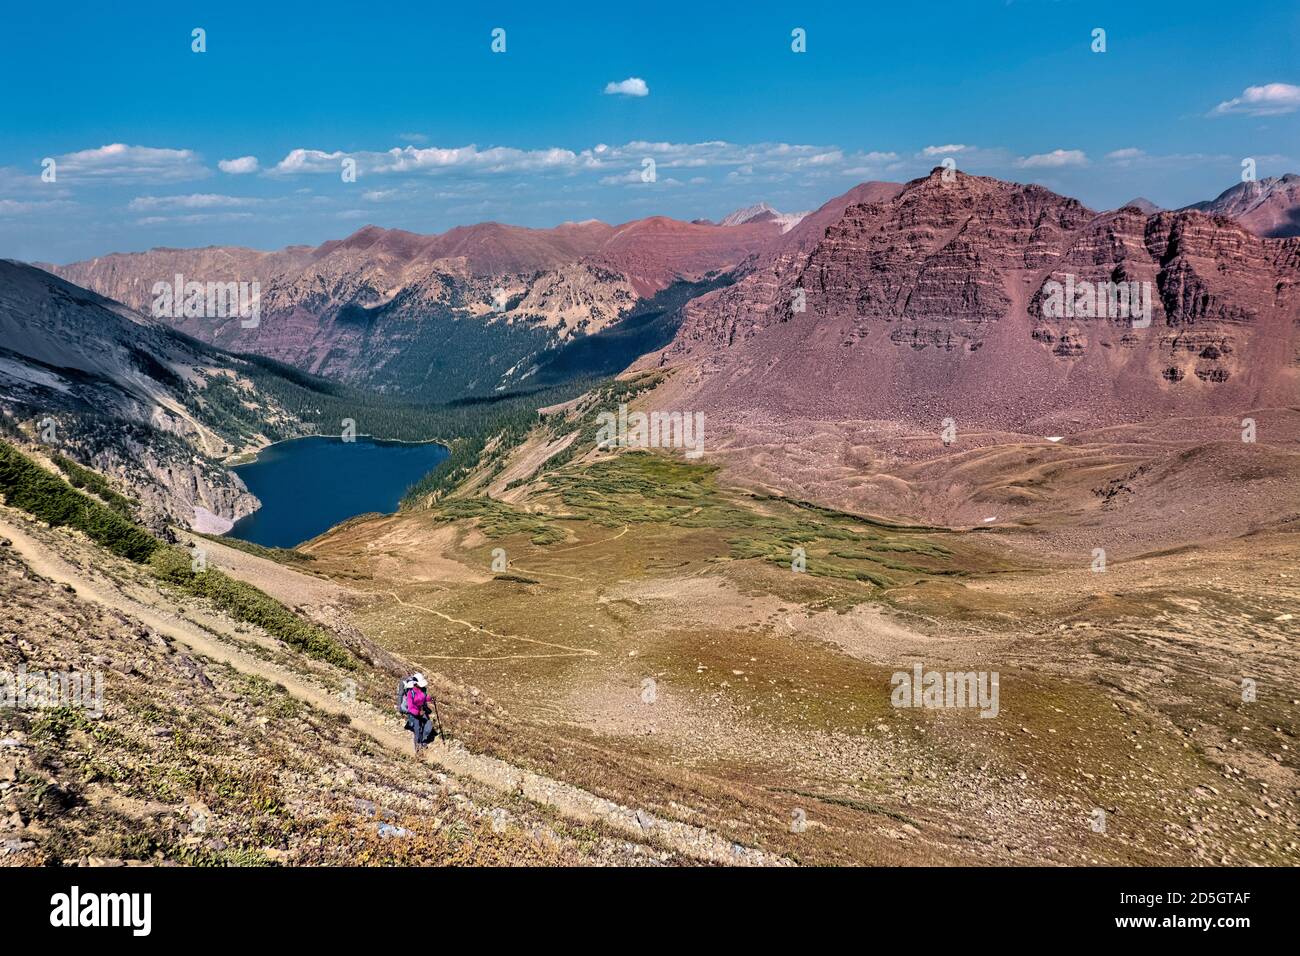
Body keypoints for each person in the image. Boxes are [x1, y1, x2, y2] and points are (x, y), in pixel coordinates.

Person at [403, 672, 435, 753]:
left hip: (421, 712)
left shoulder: (422, 690)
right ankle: (417, 749)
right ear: (415, 683)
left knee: (428, 726)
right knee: (417, 730)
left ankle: (423, 741)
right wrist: (418, 713)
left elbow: (424, 698)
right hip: (414, 714)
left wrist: (430, 699)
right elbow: (410, 708)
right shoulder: (410, 693)